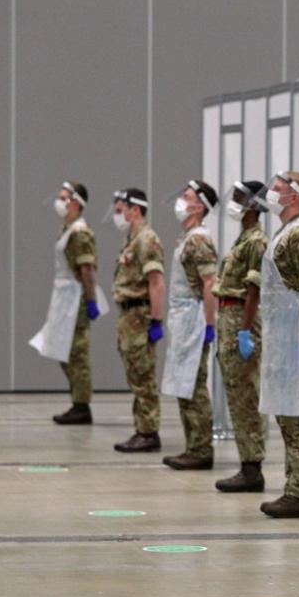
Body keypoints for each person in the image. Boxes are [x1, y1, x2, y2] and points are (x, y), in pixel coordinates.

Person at [257, 171, 299, 518]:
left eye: (279, 189)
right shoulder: (283, 233)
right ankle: (293, 485)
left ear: (295, 197)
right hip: (282, 336)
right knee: (286, 414)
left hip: (296, 337)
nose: (271, 193)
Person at [30, 181, 105, 425]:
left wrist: (91, 300)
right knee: (61, 349)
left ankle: (82, 405)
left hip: (76, 298)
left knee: (77, 353)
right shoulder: (67, 229)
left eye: (63, 197)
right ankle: (77, 399)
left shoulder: (80, 232)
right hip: (63, 296)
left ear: (75, 202)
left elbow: (86, 269)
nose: (59, 202)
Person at [213, 181, 270, 492]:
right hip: (230, 317)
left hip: (241, 319)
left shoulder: (257, 241)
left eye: (239, 198)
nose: (233, 203)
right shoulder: (243, 238)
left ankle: (252, 467)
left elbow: (253, 289)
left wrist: (246, 330)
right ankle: (246, 462)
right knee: (236, 394)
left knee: (245, 394)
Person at [160, 180, 220, 470]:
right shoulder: (187, 238)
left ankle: (200, 449)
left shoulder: (199, 240)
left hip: (194, 316)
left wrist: (209, 324)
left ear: (199, 206)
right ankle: (192, 446)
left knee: (194, 384)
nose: (180, 202)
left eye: (186, 197)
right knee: (184, 384)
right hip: (182, 316)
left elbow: (210, 284)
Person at [111, 188, 166, 453]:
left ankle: (148, 432)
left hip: (140, 315)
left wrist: (156, 321)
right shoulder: (133, 239)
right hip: (128, 315)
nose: (116, 214)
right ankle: (141, 428)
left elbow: (156, 282)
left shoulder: (146, 239)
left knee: (143, 375)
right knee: (135, 373)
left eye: (120, 209)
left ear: (135, 210)